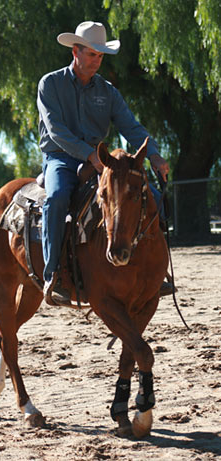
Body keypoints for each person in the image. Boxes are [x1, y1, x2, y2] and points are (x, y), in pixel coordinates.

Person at [37, 21, 170, 305]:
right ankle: (55, 274)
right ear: (75, 51)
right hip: (61, 157)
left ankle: (157, 272)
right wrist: (89, 155)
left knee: (152, 197)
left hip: (102, 160)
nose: (96, 60)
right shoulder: (50, 84)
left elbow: (131, 127)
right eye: (91, 54)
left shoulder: (107, 92)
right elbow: (56, 131)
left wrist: (155, 155)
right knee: (58, 197)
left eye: (100, 55)